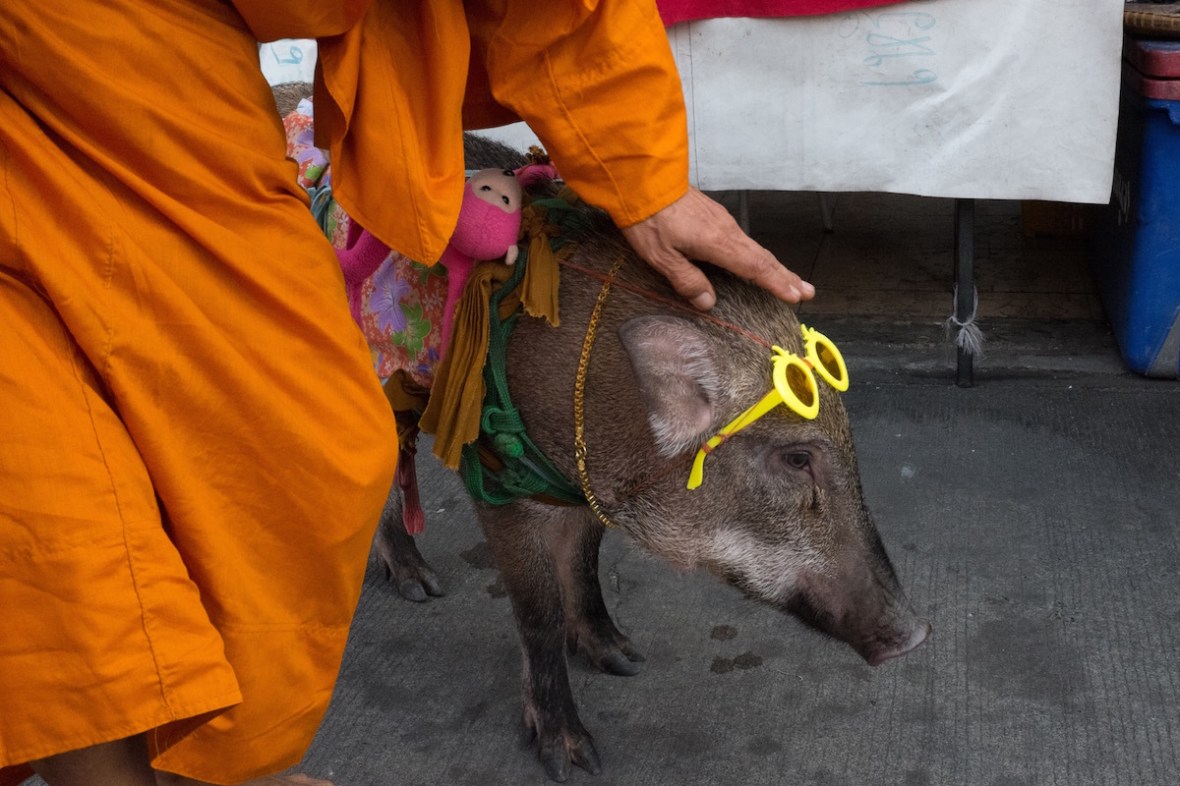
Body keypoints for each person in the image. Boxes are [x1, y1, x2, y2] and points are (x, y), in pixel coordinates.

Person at [0, 1, 814, 785]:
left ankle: (196, 761)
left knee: (301, 458)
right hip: (86, 50)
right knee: (48, 501)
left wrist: (642, 175)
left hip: (145, 56)